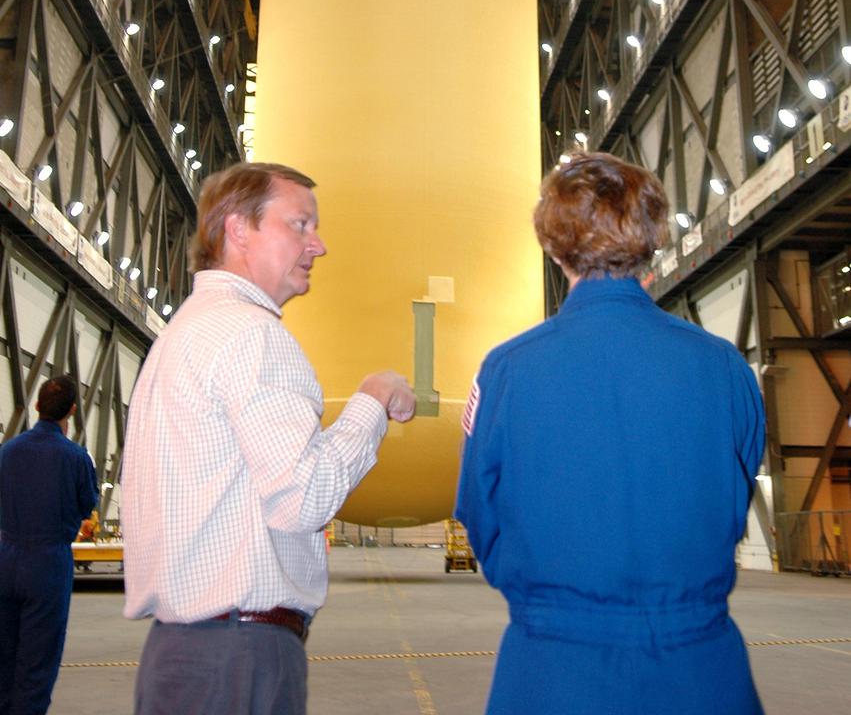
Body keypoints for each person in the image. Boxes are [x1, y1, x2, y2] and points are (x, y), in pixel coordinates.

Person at [456, 151, 765, 715]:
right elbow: (735, 494)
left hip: (552, 670)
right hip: (698, 671)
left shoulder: (506, 370)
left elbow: (480, 511)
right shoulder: (724, 368)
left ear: (552, 245)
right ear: (653, 240)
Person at [122, 161, 416, 715]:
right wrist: (371, 401)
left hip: (184, 653)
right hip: (238, 655)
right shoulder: (252, 335)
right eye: (299, 225)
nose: (318, 245)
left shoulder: (186, 332)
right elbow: (305, 496)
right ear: (238, 229)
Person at [0, 374, 99, 715]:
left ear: (37, 406)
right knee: (37, 664)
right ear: (71, 411)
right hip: (48, 565)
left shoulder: (7, 452)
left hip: (6, 558)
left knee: (4, 657)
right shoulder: (76, 458)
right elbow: (87, 505)